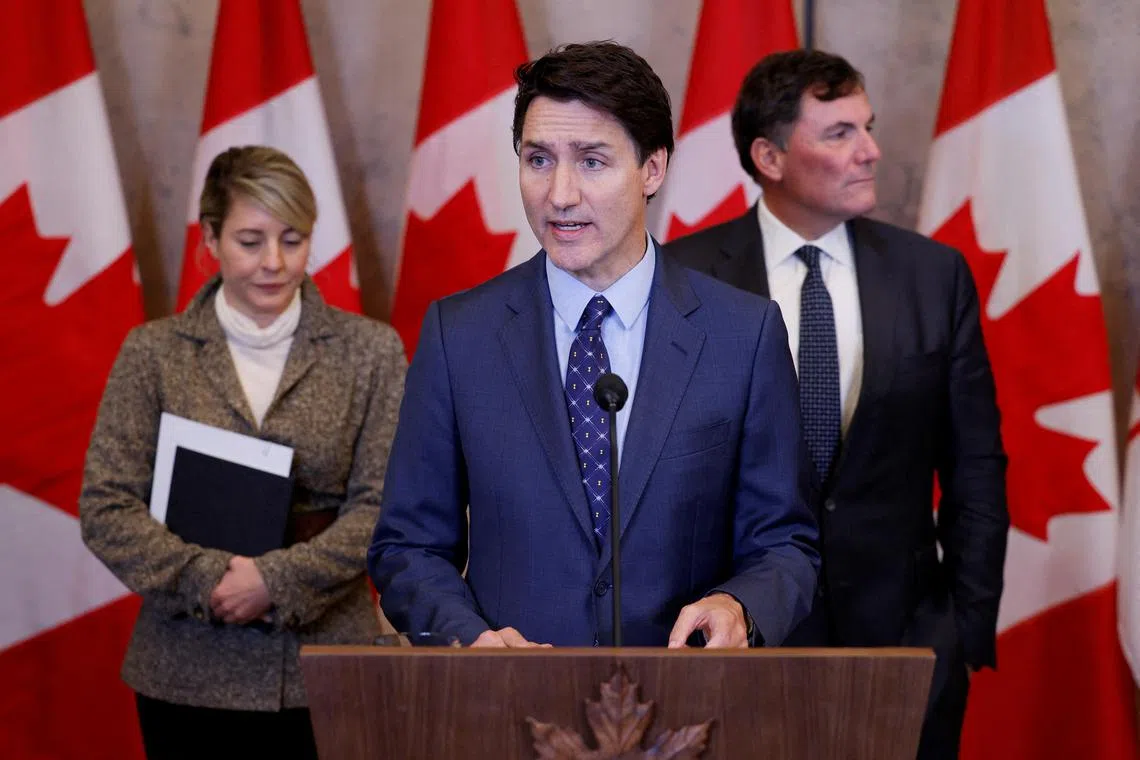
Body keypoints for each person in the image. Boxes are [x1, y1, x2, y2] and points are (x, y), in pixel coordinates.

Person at [368, 41, 819, 651]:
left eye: (591, 162)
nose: (559, 194)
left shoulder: (743, 334)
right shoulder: (459, 335)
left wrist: (740, 606)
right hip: (507, 710)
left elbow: (785, 543)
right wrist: (467, 636)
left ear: (653, 169)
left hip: (688, 712)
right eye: (538, 159)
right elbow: (407, 547)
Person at [665, 49, 1008, 759]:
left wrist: (963, 626)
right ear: (769, 155)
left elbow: (975, 464)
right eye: (840, 133)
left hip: (907, 643)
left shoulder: (932, 276)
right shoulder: (683, 276)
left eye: (868, 127)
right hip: (738, 642)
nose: (871, 151)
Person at [79, 146, 406, 759]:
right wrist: (209, 580)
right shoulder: (154, 352)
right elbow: (106, 505)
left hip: (328, 662)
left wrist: (274, 580)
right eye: (250, 241)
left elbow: (384, 507)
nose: (274, 264)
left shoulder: (371, 352)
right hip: (185, 667)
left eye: (293, 239)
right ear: (209, 237)